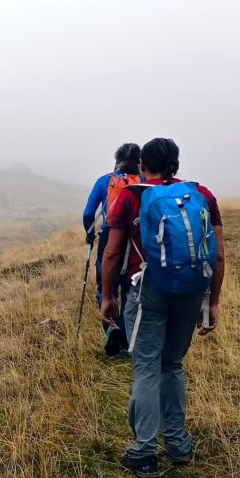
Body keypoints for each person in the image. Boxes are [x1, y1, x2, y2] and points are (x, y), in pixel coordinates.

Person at [100, 138, 225, 478]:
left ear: (143, 164)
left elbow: (112, 253)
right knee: (172, 364)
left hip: (147, 291)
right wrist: (212, 302)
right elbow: (217, 253)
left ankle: (144, 453)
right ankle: (179, 445)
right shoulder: (201, 194)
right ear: (175, 163)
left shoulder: (131, 195)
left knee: (146, 368)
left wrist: (108, 296)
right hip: (190, 290)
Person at [82, 143, 142, 354]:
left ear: (116, 161)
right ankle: (127, 337)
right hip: (136, 239)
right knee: (130, 286)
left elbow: (89, 212)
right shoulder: (143, 182)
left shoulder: (105, 180)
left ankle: (111, 329)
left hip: (109, 235)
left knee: (105, 286)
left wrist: (90, 234)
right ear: (139, 162)